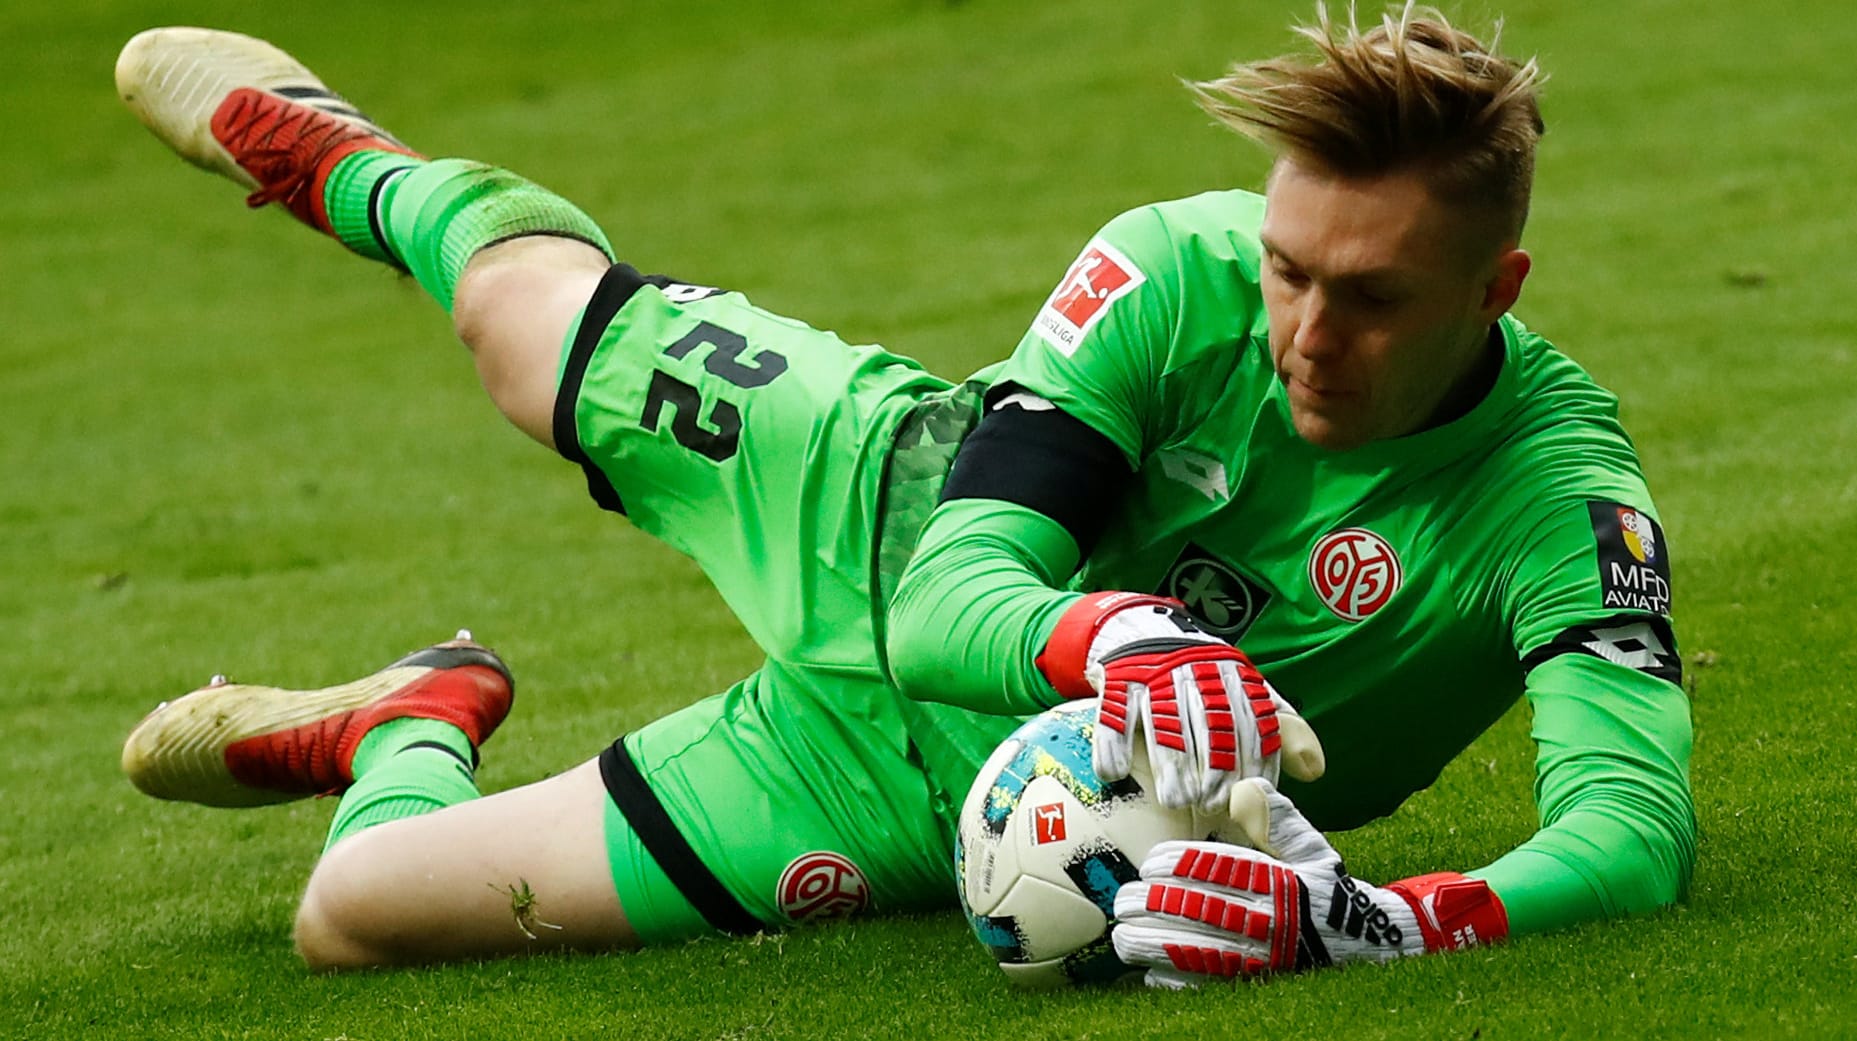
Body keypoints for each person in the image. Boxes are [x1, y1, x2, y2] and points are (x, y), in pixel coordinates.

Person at [117, 3, 1693, 985]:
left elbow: (1627, 834)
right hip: (876, 497)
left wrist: (1384, 922)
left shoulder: (1559, 503)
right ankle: (348, 162)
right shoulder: (1167, 266)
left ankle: (412, 717)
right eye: (1286, 271)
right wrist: (1124, 640)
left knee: (355, 913)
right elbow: (955, 594)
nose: (1304, 330)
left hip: (900, 785)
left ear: (1496, 287)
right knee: (513, 328)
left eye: (1370, 299)